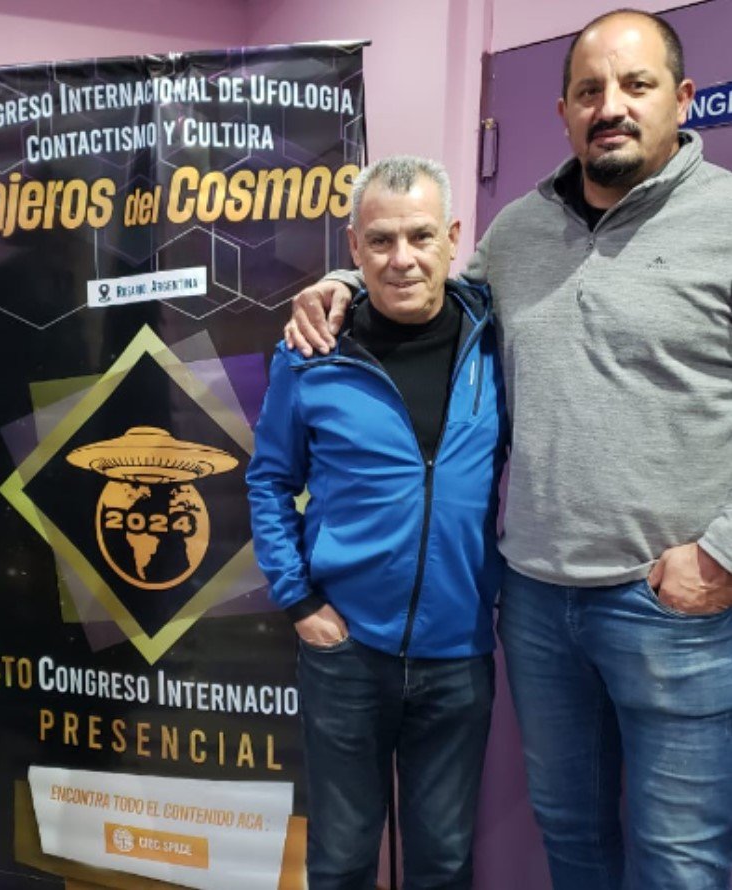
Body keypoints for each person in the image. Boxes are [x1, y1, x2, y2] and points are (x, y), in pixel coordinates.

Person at [285, 10, 732, 890]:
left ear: (681, 99)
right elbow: (425, 292)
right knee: (570, 836)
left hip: (672, 610)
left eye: (635, 85)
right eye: (588, 91)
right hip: (533, 602)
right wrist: (341, 282)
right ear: (563, 112)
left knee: (679, 861)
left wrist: (722, 551)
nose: (610, 106)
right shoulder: (520, 230)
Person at [248, 156, 505, 890]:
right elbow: (269, 480)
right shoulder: (310, 353)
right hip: (347, 653)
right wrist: (298, 601)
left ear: (452, 237)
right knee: (340, 861)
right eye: (381, 241)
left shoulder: (497, 342)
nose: (402, 259)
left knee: (444, 862)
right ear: (354, 247)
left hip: (458, 653)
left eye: (420, 236)